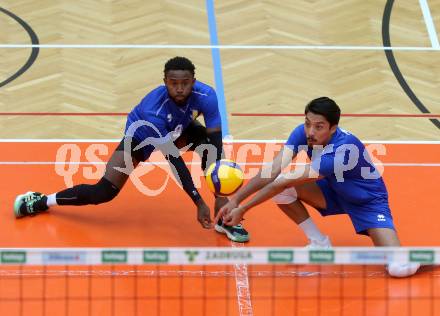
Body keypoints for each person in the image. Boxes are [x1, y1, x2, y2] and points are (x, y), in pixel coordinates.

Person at [13, 56, 249, 242]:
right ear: (165, 82)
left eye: (184, 83)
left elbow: (215, 137)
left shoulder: (206, 96)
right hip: (142, 137)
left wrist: (219, 194)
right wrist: (198, 202)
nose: (179, 88)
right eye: (173, 83)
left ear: (193, 81)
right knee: (103, 192)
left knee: (209, 147)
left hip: (179, 128)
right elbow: (174, 161)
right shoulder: (152, 111)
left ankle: (224, 218)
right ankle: (42, 200)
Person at [217, 97, 419, 277]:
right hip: (332, 190)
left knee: (398, 268)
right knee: (284, 191)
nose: (310, 132)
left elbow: (282, 181)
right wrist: (235, 199)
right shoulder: (302, 134)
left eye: (319, 127)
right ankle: (319, 243)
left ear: (333, 128)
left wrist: (243, 209)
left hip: (366, 201)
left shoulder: (342, 151)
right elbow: (273, 170)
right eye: (307, 124)